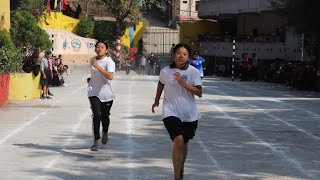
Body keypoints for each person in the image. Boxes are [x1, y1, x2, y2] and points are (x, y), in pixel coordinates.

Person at [152, 43, 202, 180]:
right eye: (178, 53)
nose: (181, 56)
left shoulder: (193, 72)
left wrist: (184, 84)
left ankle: (180, 168)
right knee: (178, 141)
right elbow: (161, 84)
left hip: (189, 114)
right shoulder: (165, 71)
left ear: (188, 57)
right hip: (170, 110)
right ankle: (176, 176)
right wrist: (156, 100)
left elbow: (199, 92)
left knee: (184, 143)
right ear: (173, 55)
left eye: (185, 54)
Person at [87, 41, 115, 151]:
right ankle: (96, 141)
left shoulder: (109, 62)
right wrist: (91, 80)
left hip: (107, 94)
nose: (99, 49)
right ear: (95, 49)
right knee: (96, 116)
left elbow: (110, 76)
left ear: (106, 50)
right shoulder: (92, 60)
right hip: (93, 92)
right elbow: (94, 75)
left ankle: (105, 131)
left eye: (102, 47)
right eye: (97, 47)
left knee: (105, 117)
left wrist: (98, 67)